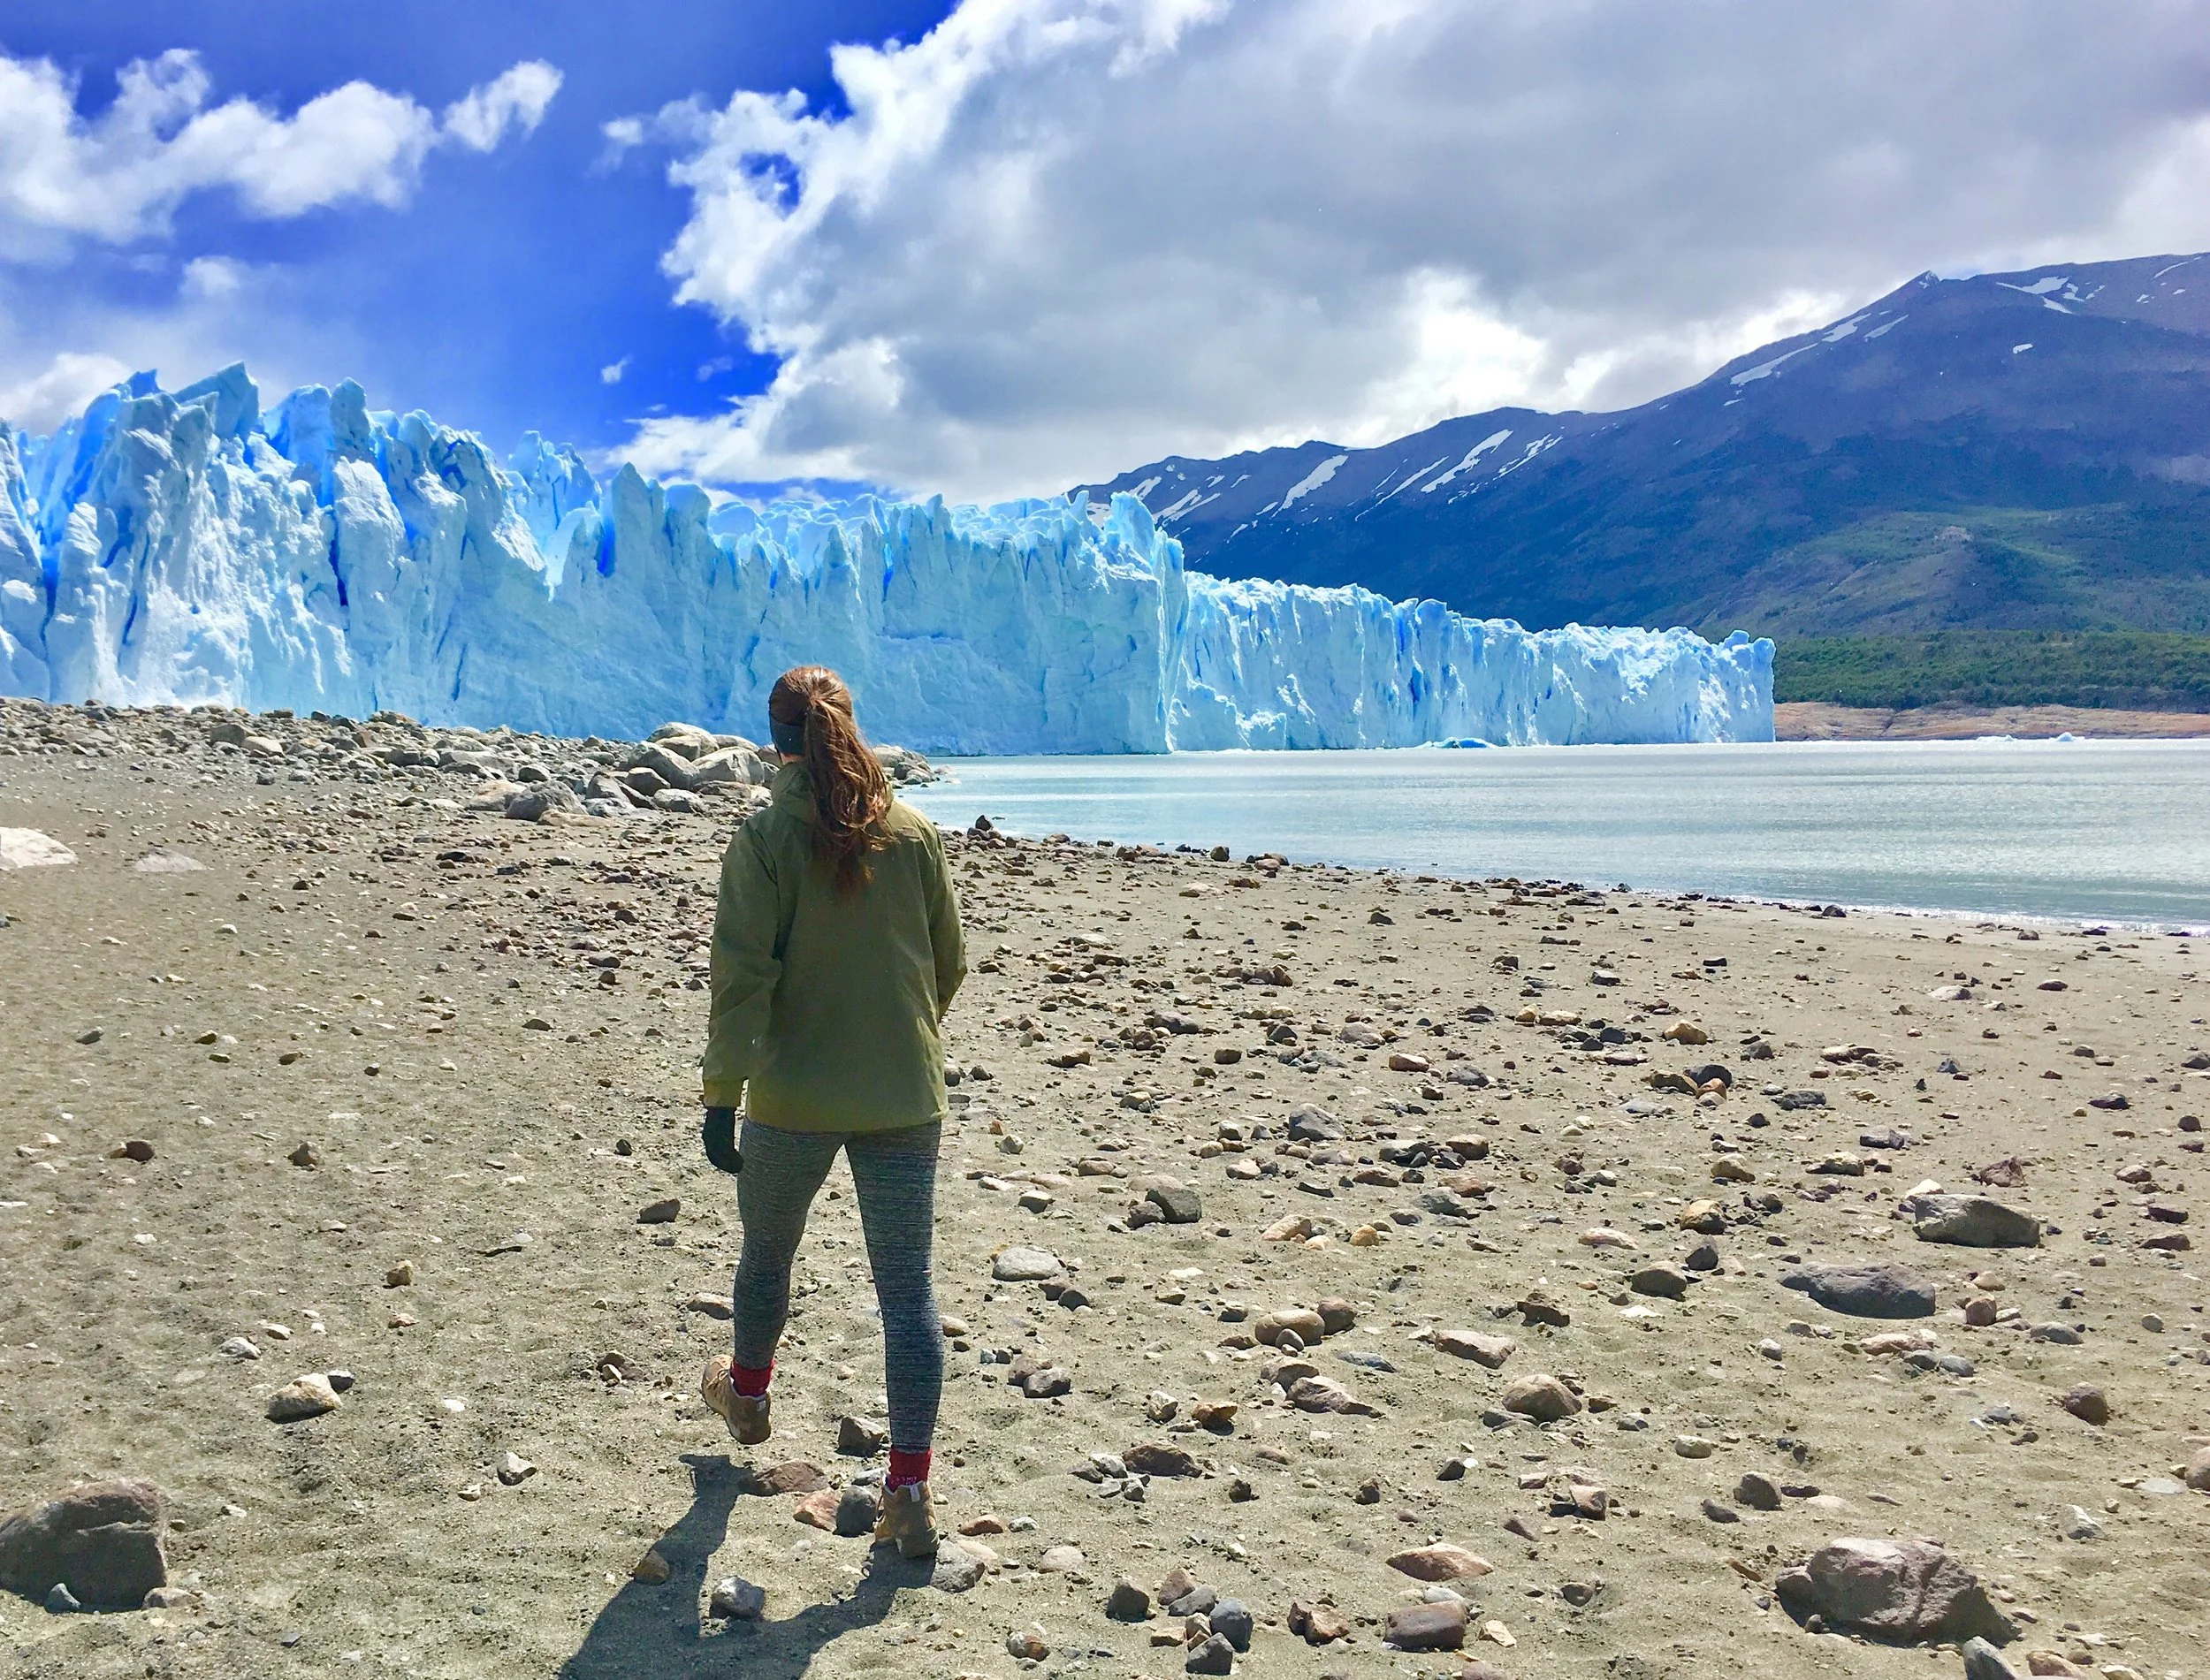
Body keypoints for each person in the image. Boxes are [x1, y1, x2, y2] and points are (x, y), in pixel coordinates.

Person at [697, 665, 964, 1561]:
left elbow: (742, 979)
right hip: (902, 1097)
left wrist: (720, 1095)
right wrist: (900, 1037)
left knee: (767, 1252)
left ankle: (747, 1392)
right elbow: (946, 963)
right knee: (908, 1292)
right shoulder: (915, 833)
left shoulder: (766, 836)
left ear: (775, 739)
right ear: (850, 724)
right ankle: (911, 1490)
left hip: (792, 1097)